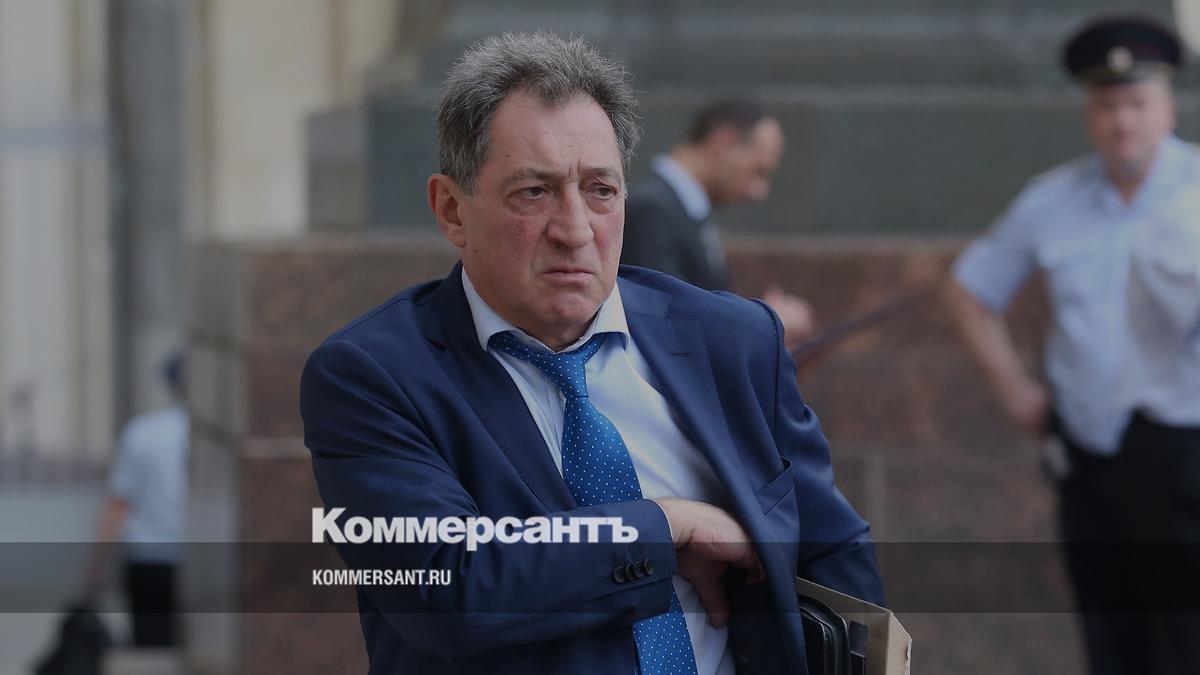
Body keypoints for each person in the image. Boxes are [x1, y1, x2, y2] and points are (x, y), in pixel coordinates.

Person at [300, 32, 883, 675]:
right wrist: (662, 527)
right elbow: (446, 589)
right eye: (534, 192)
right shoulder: (372, 376)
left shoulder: (732, 341)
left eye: (600, 190)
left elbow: (833, 552)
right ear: (452, 210)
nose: (575, 230)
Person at [945, 15, 1199, 675]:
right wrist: (1014, 388)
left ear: (1169, 107)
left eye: (1137, 103)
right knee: (1110, 633)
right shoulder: (1053, 200)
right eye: (1107, 106)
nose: (1123, 122)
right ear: (1088, 114)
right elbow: (971, 289)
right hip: (1090, 455)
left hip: (1186, 453)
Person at [621, 99, 816, 349]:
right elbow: (669, 318)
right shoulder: (652, 209)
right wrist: (762, 322)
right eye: (758, 171)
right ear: (722, 143)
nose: (759, 192)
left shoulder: (680, 209)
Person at [86, 353, 189, 647]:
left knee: (151, 646)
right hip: (204, 556)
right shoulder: (213, 439)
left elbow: (118, 502)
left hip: (148, 555)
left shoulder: (142, 432)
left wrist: (97, 564)